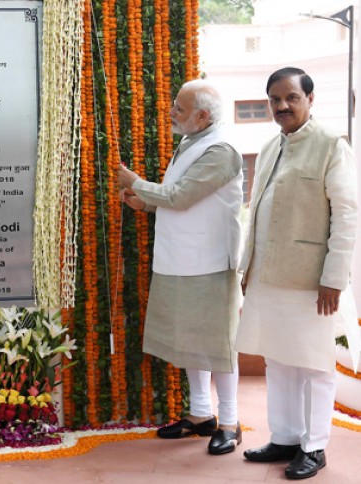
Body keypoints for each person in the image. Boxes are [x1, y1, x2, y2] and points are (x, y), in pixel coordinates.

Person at [237, 67, 357, 480]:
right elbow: (256, 210)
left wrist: (333, 278)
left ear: (310, 99)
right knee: (278, 359)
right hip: (268, 275)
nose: (282, 105)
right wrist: (248, 267)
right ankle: (286, 437)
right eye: (275, 99)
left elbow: (347, 215)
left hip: (312, 281)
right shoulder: (270, 146)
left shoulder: (331, 144)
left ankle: (314, 446)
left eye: (291, 97)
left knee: (313, 364)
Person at [117, 79, 244, 455]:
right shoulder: (193, 141)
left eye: (180, 109)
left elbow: (181, 196)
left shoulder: (222, 149)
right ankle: (202, 415)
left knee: (218, 345)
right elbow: (179, 198)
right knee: (191, 341)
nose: (172, 112)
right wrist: (144, 203)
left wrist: (138, 183)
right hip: (180, 257)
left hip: (209, 261)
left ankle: (230, 422)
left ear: (202, 116)